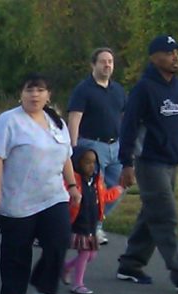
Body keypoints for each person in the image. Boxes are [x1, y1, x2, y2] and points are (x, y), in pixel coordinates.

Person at [0, 73, 79, 294]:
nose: (34, 95)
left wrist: (72, 185)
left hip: (52, 194)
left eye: (40, 90)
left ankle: (45, 290)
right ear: (21, 94)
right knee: (17, 248)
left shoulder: (56, 121)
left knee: (59, 239)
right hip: (18, 197)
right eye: (29, 90)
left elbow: (66, 154)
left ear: (48, 95)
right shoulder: (8, 121)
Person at [116, 35, 178, 291]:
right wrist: (127, 163)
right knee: (166, 215)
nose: (176, 56)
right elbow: (129, 126)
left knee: (151, 213)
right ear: (155, 57)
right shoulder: (144, 89)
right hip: (149, 161)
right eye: (170, 52)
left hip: (171, 161)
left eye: (177, 52)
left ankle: (130, 264)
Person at [66, 47, 126, 245]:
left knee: (119, 186)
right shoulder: (84, 90)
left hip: (115, 146)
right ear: (93, 64)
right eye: (103, 61)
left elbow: (124, 117)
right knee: (93, 190)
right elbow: (75, 118)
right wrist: (73, 148)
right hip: (92, 146)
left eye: (110, 61)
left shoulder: (118, 90)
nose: (107, 65)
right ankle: (86, 227)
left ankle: (95, 223)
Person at [63, 147, 123, 294]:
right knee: (84, 253)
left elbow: (105, 197)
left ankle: (66, 267)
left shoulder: (97, 182)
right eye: (87, 162)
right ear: (77, 163)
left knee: (91, 255)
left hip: (91, 224)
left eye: (94, 163)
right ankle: (78, 284)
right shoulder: (72, 182)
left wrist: (119, 189)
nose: (91, 166)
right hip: (78, 224)